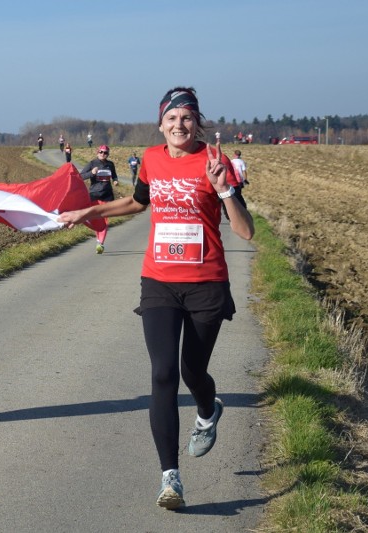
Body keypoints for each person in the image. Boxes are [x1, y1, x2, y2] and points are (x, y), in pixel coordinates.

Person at [58, 87, 254, 510]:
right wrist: (86, 212)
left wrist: (223, 189)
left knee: (192, 371)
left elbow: (245, 231)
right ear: (160, 123)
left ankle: (208, 410)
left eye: (187, 118)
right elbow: (137, 202)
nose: (179, 125)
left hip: (206, 283)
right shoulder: (151, 159)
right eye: (172, 118)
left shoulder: (214, 163)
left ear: (197, 123)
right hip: (159, 281)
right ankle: (171, 478)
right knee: (163, 373)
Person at [79, 144, 119, 254]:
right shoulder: (92, 163)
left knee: (105, 221)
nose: (103, 154)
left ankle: (101, 243)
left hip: (107, 195)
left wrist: (115, 181)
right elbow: (80, 176)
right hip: (94, 195)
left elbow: (114, 175)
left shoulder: (110, 164)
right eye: (101, 152)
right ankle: (98, 240)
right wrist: (91, 173)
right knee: (96, 220)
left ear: (108, 154)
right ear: (97, 152)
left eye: (105, 153)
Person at [222, 149, 248, 221]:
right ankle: (241, 212)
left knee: (230, 196)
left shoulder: (231, 161)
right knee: (238, 196)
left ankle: (230, 214)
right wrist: (245, 179)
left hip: (231, 180)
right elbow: (244, 171)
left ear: (234, 154)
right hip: (239, 181)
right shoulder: (242, 162)